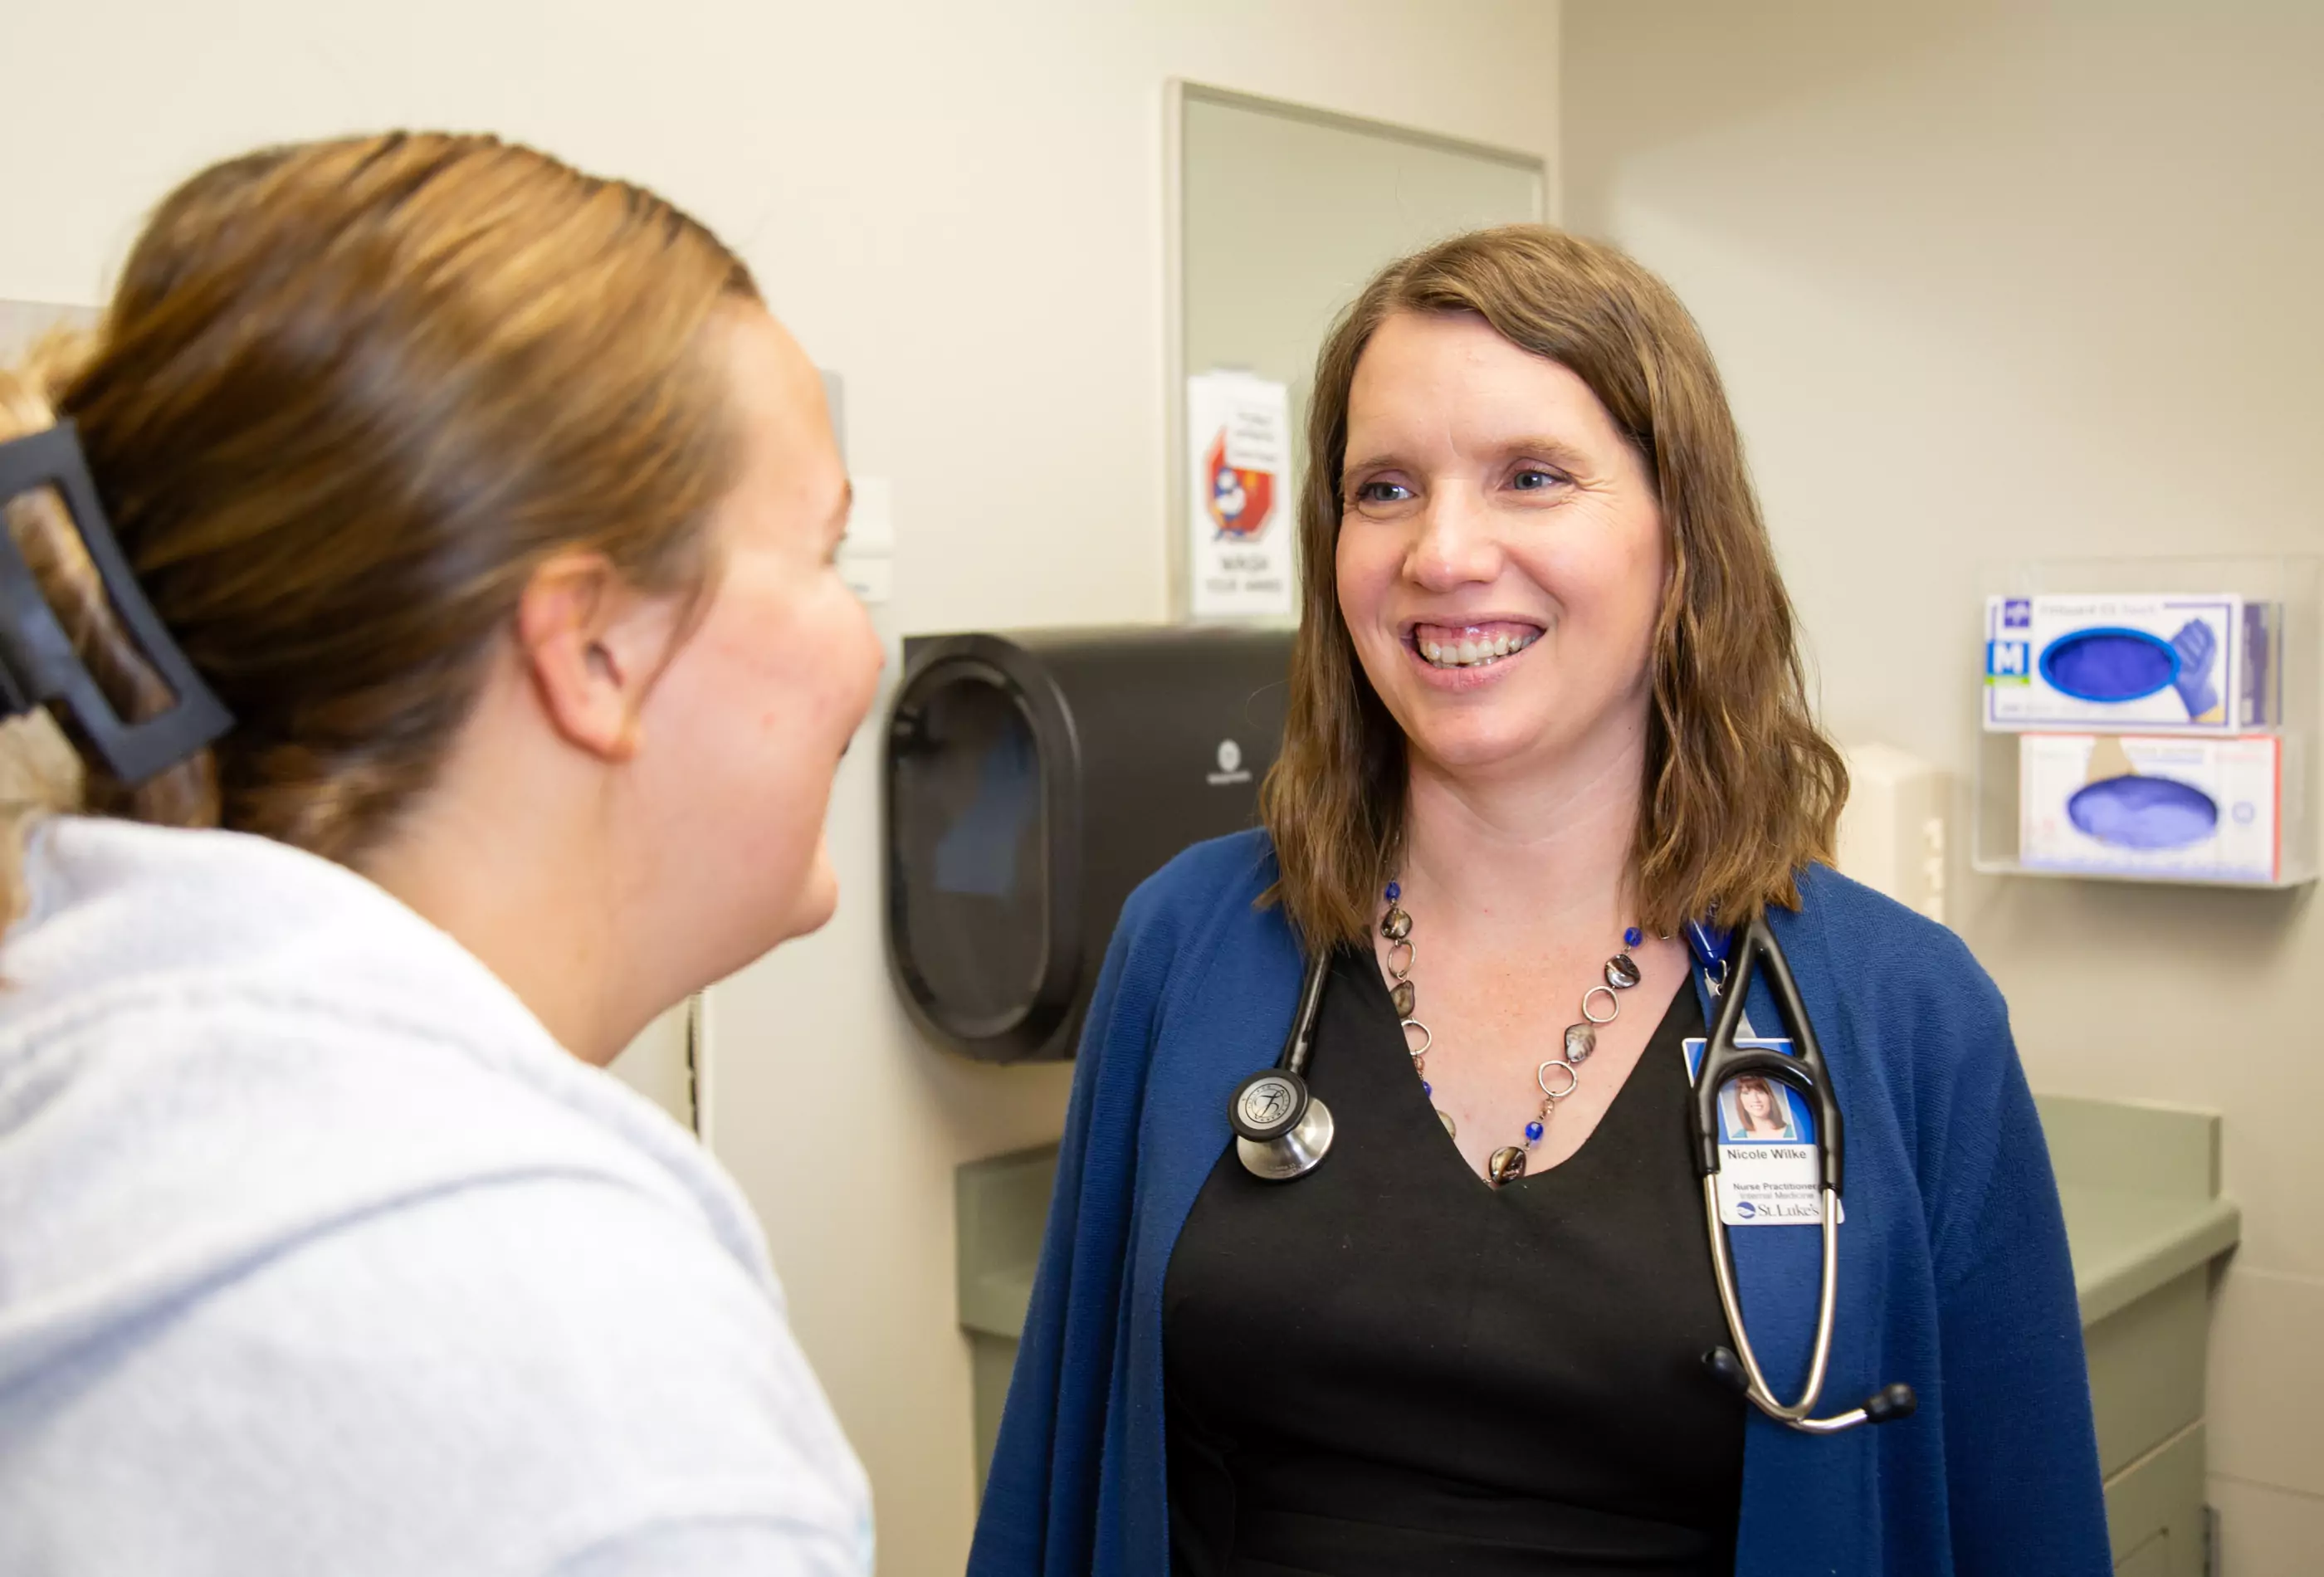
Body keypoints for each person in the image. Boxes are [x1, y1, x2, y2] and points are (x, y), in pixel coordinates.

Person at [969, 226, 2109, 1576]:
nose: (1444, 552)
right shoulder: (1191, 948)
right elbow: (1057, 1474)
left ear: (1680, 541)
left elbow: (2024, 1523)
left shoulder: (1906, 1019)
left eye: (1531, 477)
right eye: (1385, 489)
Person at [0, 134, 881, 1575]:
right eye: (824, 555)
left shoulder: (82, 1103)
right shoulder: (577, 1370)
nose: (870, 647)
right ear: (593, 646)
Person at [1727, 1073, 1798, 1141]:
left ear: (1770, 1097)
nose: (1755, 1099)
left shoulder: (1793, 1132)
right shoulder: (1738, 1137)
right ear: (1740, 1100)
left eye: (1760, 1092)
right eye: (1746, 1093)